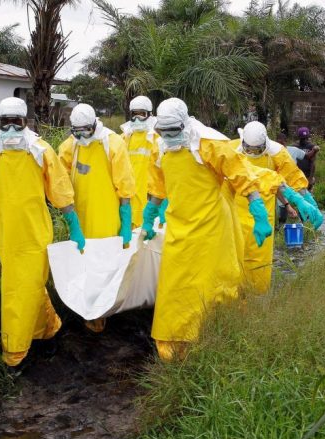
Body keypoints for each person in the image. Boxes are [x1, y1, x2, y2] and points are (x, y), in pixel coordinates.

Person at [139, 98, 281, 362]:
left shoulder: (209, 144)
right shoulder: (160, 148)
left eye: (173, 131)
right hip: (179, 226)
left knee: (211, 285)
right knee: (175, 286)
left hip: (212, 228)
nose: (168, 136)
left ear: (185, 124)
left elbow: (241, 175)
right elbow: (157, 186)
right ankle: (173, 342)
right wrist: (148, 217)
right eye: (163, 131)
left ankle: (212, 336)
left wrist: (259, 212)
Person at [0, 97, 86, 369]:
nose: (12, 129)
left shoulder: (40, 150)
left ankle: (15, 351)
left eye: (17, 122)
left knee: (18, 288)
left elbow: (59, 188)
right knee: (32, 286)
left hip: (37, 233)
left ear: (26, 122)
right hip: (7, 235)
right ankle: (49, 331)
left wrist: (73, 223)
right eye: (6, 123)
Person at [58, 103, 136, 333]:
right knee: (83, 265)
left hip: (106, 218)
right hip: (80, 218)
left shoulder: (112, 144)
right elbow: (59, 180)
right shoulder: (69, 146)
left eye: (86, 131)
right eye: (77, 131)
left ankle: (101, 313)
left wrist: (125, 220)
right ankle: (86, 310)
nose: (82, 136)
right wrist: (70, 219)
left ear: (95, 125)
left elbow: (125, 186)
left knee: (105, 266)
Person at [231, 121, 324, 293]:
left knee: (260, 261)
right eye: (249, 150)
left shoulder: (277, 154)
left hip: (264, 216)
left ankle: (256, 297)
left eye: (257, 151)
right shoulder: (231, 150)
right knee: (233, 258)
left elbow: (290, 177)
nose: (252, 154)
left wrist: (304, 198)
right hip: (235, 214)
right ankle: (234, 298)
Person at [119, 96, 164, 228]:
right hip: (129, 201)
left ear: (150, 114)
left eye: (142, 114)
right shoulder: (123, 138)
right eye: (134, 114)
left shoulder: (158, 139)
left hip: (151, 201)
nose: (137, 118)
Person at [294, 127, 319, 191]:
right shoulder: (294, 146)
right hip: (296, 176)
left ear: (308, 137)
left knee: (308, 195)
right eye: (302, 138)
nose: (304, 140)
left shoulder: (311, 147)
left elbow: (313, 163)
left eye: (305, 138)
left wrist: (310, 178)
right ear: (299, 137)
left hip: (307, 175)